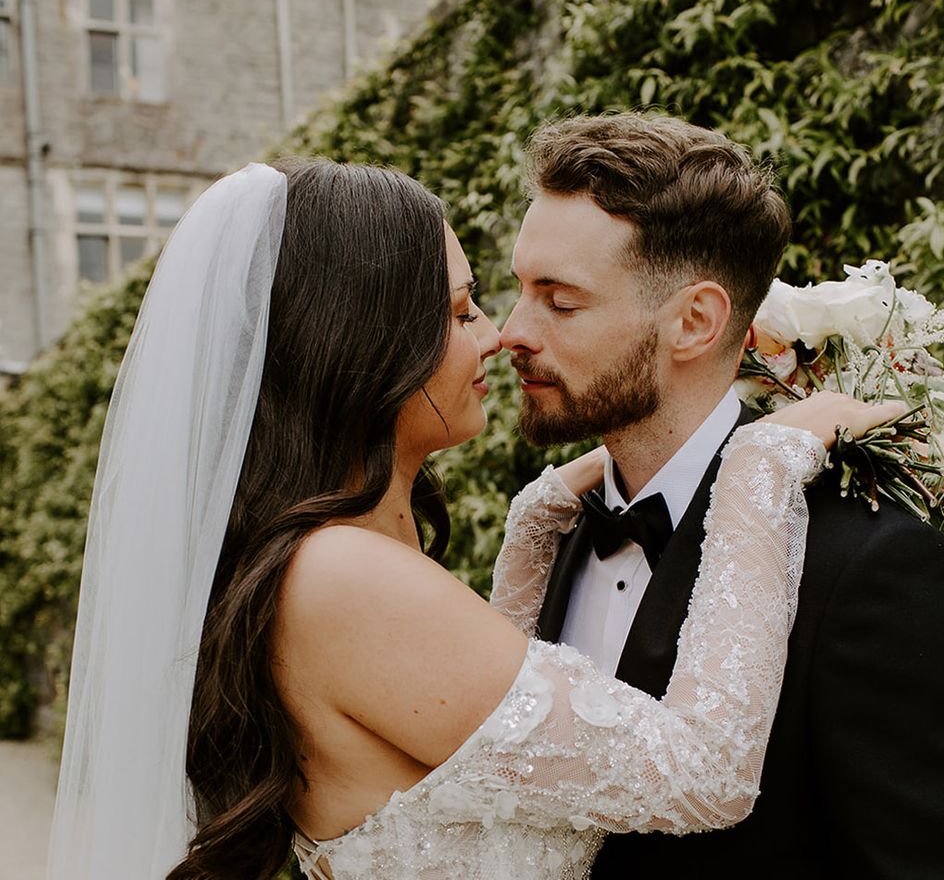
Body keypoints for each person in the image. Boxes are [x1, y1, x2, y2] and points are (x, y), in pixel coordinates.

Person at [46, 157, 893, 880]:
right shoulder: (345, 576)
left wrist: (531, 529)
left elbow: (484, 751)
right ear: (361, 347)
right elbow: (705, 776)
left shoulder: (331, 562)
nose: (499, 336)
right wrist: (755, 468)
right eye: (460, 313)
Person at [499, 112, 944, 879]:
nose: (511, 332)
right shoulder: (552, 535)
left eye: (559, 301)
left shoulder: (874, 572)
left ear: (695, 322)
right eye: (518, 291)